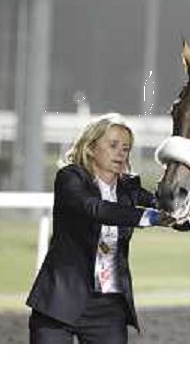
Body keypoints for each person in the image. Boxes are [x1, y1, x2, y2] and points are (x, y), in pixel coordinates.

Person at [26, 113, 174, 344]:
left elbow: (168, 209)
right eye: (113, 145)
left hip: (109, 308)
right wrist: (151, 217)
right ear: (91, 147)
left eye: (125, 148)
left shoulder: (129, 189)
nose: (120, 153)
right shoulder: (70, 178)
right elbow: (95, 208)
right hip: (59, 300)